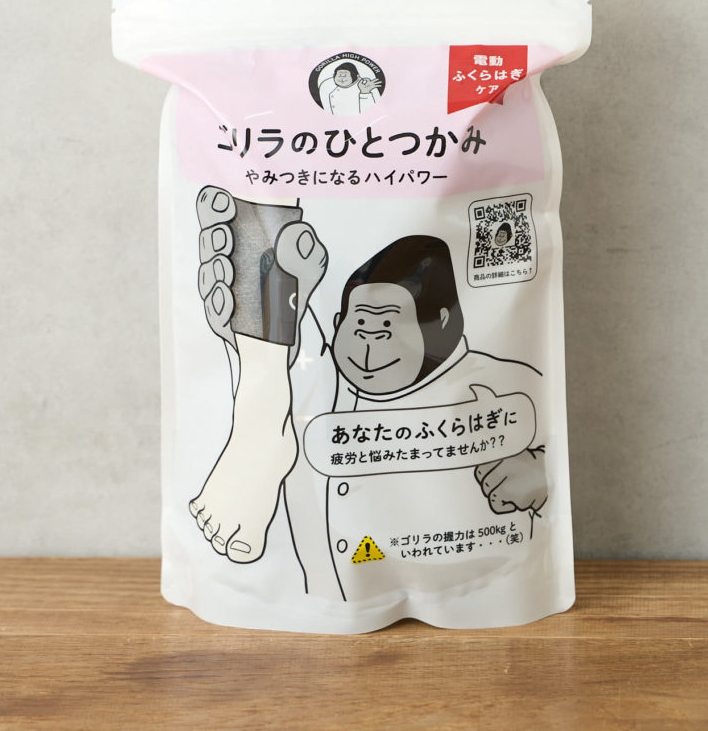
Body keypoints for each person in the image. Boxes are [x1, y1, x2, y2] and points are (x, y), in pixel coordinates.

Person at [189, 190, 547, 600]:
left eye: (387, 326)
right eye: (359, 324)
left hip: (471, 590)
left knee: (297, 383)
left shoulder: (502, 381)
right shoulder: (326, 379)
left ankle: (268, 340)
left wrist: (540, 474)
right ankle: (263, 353)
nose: (368, 347)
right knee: (292, 376)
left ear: (442, 321)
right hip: (326, 588)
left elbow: (550, 446)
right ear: (338, 322)